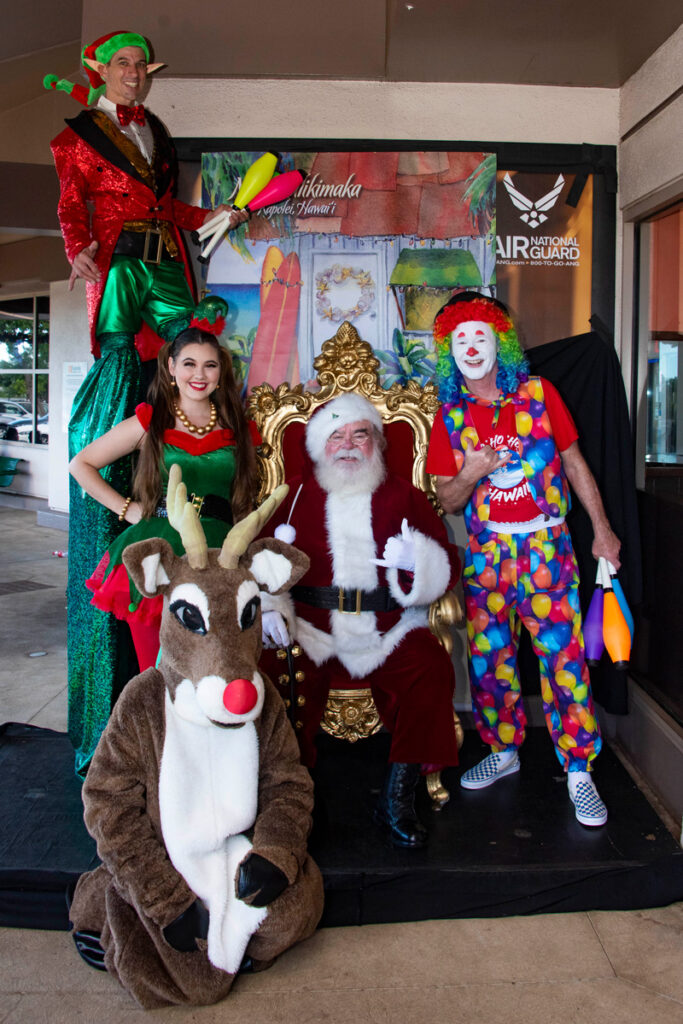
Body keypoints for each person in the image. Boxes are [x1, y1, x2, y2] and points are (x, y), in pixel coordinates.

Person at [47, 30, 247, 777]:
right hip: (122, 260)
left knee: (189, 347)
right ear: (100, 72)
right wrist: (78, 248)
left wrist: (215, 217)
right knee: (124, 359)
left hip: (168, 260)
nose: (134, 76)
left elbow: (168, 208)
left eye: (142, 67)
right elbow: (73, 203)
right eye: (124, 66)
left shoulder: (156, 132)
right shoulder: (77, 136)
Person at [426, 291, 621, 827]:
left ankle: (579, 770)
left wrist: (603, 531)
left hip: (546, 550)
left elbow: (576, 464)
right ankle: (504, 751)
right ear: (450, 352)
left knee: (565, 661)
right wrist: (473, 470)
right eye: (459, 339)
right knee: (490, 662)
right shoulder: (449, 416)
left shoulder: (539, 394)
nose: (471, 347)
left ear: (499, 343)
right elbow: (447, 499)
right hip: (488, 556)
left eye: (479, 336)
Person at [260, 393, 461, 849]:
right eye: (337, 436)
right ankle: (292, 796)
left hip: (385, 631)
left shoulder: (402, 494)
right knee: (272, 670)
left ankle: (397, 796)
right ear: (319, 446)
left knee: (430, 665)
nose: (348, 444)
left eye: (360, 434)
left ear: (376, 443)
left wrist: (419, 561)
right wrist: (271, 606)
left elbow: (445, 561)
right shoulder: (292, 496)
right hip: (312, 632)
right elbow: (261, 561)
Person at [68, 296, 259, 773]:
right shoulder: (150, 420)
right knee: (162, 673)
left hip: (217, 559)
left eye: (210, 365)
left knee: (213, 670)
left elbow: (244, 503)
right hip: (158, 558)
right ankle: (160, 774)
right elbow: (81, 464)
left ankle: (211, 773)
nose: (200, 373)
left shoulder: (237, 425)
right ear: (170, 367)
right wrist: (129, 510)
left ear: (221, 372)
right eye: (189, 363)